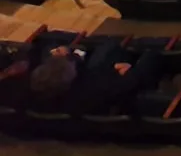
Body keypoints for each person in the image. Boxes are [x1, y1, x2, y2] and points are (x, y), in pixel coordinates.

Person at [27, 41, 163, 115]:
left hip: (103, 79)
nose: (71, 62)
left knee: (107, 49)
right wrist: (128, 72)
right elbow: (130, 82)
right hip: (114, 95)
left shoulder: (44, 92)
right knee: (151, 56)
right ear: (68, 75)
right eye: (69, 63)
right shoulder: (93, 87)